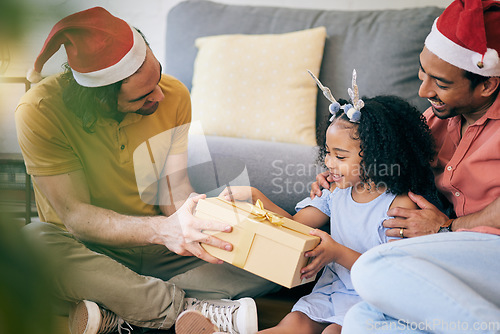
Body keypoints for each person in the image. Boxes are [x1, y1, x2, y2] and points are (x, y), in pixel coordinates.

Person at [15, 7, 278, 334]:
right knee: (30, 244)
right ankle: (189, 309)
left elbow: (173, 186)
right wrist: (162, 230)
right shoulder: (39, 111)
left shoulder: (175, 95)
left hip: (163, 253)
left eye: (158, 77)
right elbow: (76, 216)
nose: (161, 94)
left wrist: (198, 221)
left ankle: (119, 311)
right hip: (90, 254)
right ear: (98, 100)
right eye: (143, 95)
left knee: (272, 257)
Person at [311, 0, 500, 332]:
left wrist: (447, 227)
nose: (423, 90)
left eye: (441, 83)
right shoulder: (435, 120)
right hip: (448, 254)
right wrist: (338, 176)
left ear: (487, 84)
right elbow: (385, 161)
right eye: (422, 72)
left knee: (372, 269)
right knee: (360, 319)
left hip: (487, 250)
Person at [216, 70, 440, 334]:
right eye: (327, 153)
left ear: (378, 157)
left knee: (333, 331)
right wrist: (256, 197)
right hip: (334, 289)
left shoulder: (400, 206)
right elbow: (295, 226)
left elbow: (391, 276)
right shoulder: (335, 191)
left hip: (374, 299)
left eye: (341, 157)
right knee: (293, 324)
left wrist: (336, 252)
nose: (329, 163)